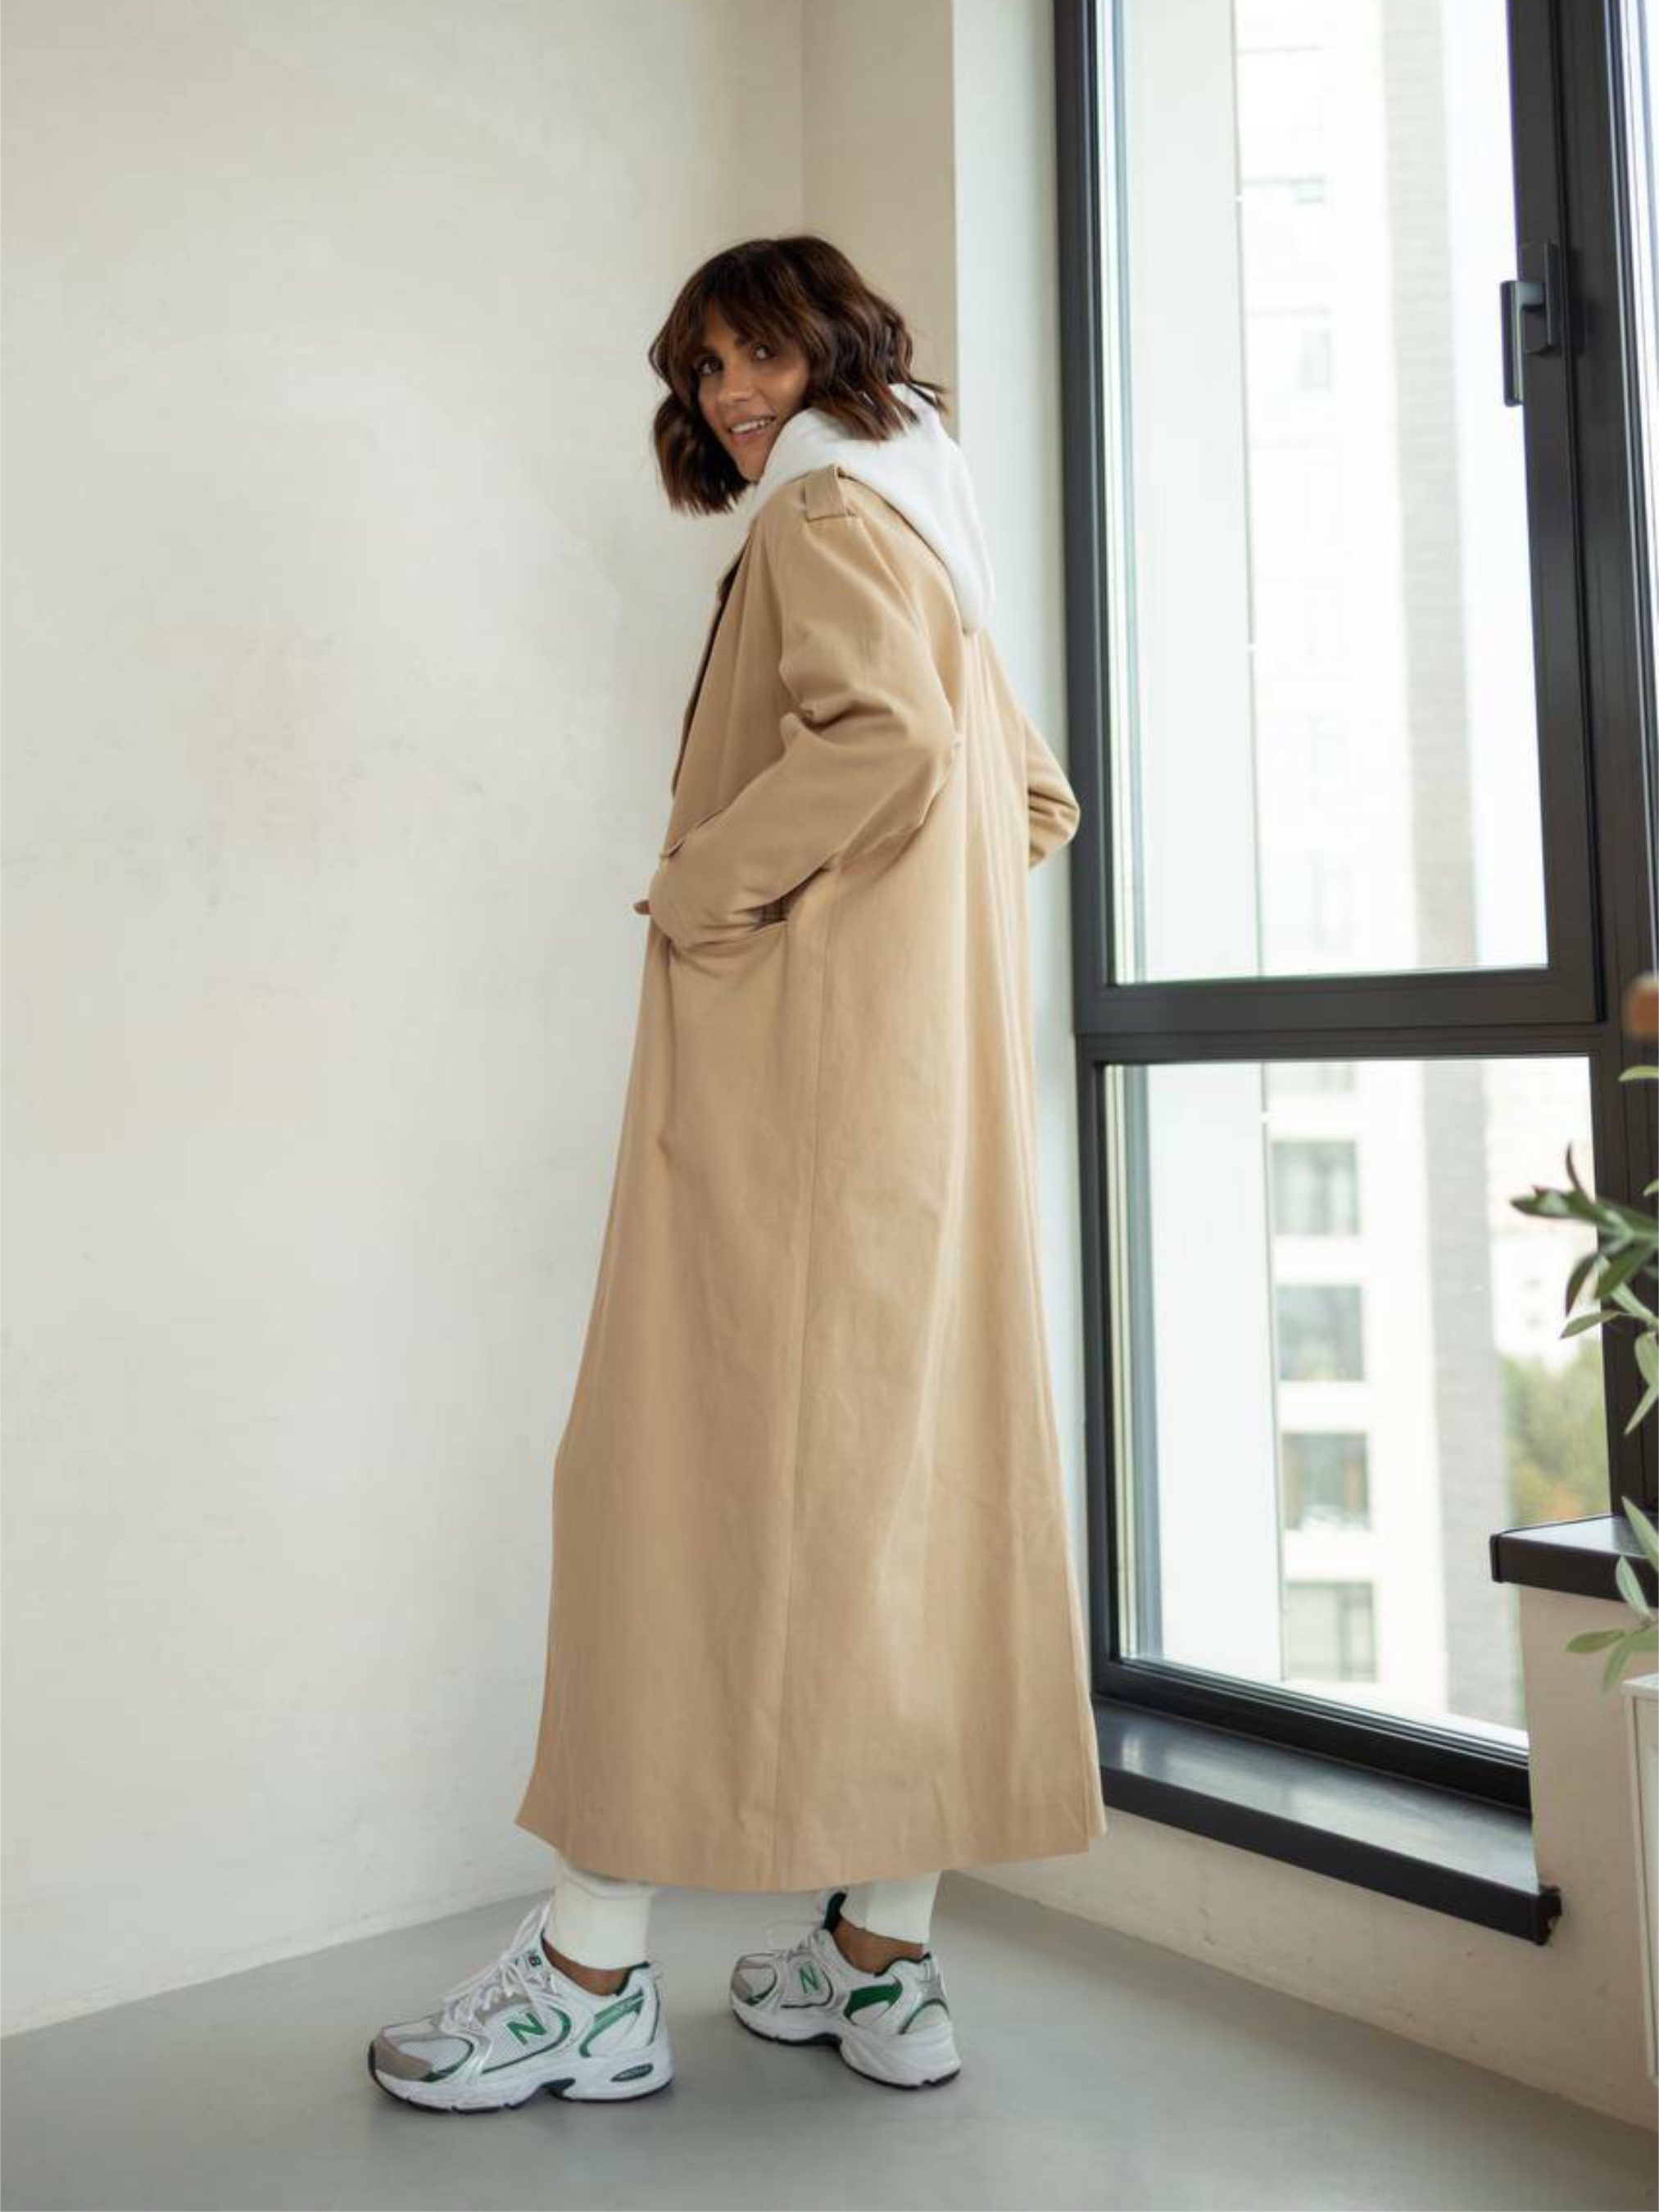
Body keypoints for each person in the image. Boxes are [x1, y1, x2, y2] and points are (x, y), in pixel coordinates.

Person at [369, 234, 1106, 2114]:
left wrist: (706, 891)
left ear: (834, 344)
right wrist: (905, 950)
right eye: (702, 369)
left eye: (756, 350)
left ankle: (586, 1983)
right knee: (907, 1499)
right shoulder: (932, 523)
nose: (729, 394)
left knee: (670, 1483)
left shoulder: (822, 517)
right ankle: (876, 1964)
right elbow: (1026, 797)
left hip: (800, 1111)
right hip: (926, 1120)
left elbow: (887, 740)